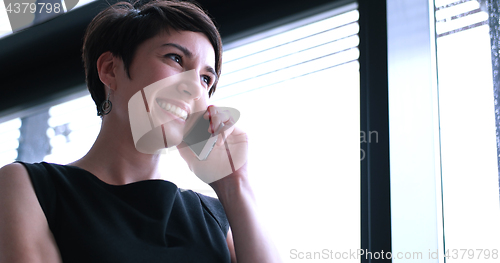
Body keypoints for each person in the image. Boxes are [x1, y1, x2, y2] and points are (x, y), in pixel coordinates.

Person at [0, 0, 281, 262]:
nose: (195, 88)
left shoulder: (214, 218)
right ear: (110, 69)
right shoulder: (30, 187)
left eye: (206, 78)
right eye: (175, 58)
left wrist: (234, 183)